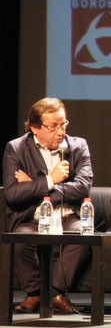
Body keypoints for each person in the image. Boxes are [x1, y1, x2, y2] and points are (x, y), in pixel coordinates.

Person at [2, 97, 93, 314]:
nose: (60, 131)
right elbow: (13, 194)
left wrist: (35, 186)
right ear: (35, 127)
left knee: (84, 234)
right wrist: (51, 179)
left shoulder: (78, 146)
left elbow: (83, 187)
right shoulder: (16, 149)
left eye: (63, 124)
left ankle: (54, 293)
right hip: (31, 218)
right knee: (21, 240)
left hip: (68, 216)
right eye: (53, 126)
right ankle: (34, 293)